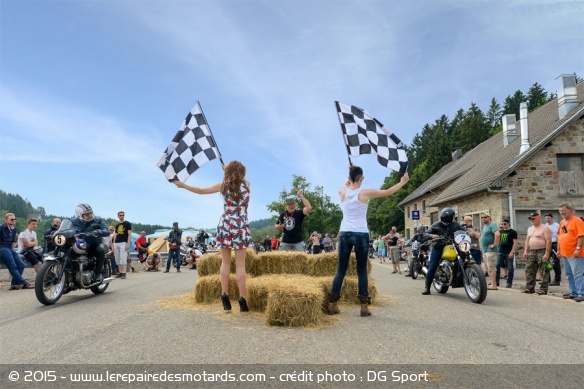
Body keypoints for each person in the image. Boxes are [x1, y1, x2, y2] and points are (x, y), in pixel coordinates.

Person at [328, 165, 409, 317]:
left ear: (349, 178)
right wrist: (402, 182)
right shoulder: (365, 193)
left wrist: (350, 173)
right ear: (361, 179)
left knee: (341, 270)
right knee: (361, 270)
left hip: (345, 232)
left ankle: (332, 304)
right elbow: (388, 192)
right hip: (360, 233)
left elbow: (346, 184)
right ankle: (364, 307)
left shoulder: (342, 192)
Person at [173, 160, 251, 312]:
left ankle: (224, 294)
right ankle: (242, 298)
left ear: (228, 173)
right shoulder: (247, 184)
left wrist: (184, 186)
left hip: (226, 225)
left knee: (225, 262)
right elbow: (239, 180)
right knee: (241, 265)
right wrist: (228, 170)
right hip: (241, 226)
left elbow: (201, 190)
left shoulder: (223, 186)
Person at [422, 208, 464, 295]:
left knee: (464, 256)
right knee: (433, 266)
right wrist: (433, 236)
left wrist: (467, 232)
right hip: (438, 247)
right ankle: (427, 287)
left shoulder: (455, 224)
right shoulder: (436, 225)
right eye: (452, 216)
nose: (453, 217)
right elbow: (425, 234)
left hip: (453, 246)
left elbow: (462, 230)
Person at [71, 204, 110, 282]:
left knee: (100, 250)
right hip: (80, 243)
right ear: (80, 215)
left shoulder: (98, 220)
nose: (90, 215)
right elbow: (67, 229)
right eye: (87, 214)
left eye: (91, 213)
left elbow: (106, 231)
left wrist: (98, 231)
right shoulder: (74, 221)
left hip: (94, 243)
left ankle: (97, 274)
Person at [557, 203, 584, 302]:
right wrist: (559, 250)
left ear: (570, 210)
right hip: (565, 253)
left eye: (563, 211)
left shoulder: (577, 221)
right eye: (560, 211)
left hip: (575, 254)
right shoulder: (562, 222)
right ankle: (573, 293)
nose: (561, 213)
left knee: (578, 274)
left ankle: (581, 294)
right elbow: (560, 236)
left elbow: (581, 236)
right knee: (569, 274)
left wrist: (578, 249)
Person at [521, 212, 552, 295]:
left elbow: (549, 242)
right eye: (530, 219)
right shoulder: (530, 229)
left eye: (533, 219)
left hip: (542, 251)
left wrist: (547, 254)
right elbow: (527, 240)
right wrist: (525, 251)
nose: (531, 220)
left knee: (545, 270)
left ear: (539, 218)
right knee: (529, 269)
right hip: (532, 251)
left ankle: (543, 288)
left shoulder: (545, 228)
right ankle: (529, 287)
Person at [0, 213, 32, 290]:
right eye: (11, 219)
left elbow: (14, 238)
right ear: (6, 220)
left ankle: (14, 284)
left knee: (21, 265)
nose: (13, 220)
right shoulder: (1, 227)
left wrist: (14, 244)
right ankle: (24, 283)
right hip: (2, 248)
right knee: (13, 267)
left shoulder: (14, 228)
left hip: (10, 248)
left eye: (14, 219)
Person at [480, 212, 500, 290]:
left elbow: (497, 234)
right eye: (482, 217)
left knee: (491, 267)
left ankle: (494, 284)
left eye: (485, 217)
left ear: (489, 217)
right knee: (488, 267)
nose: (483, 218)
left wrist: (494, 244)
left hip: (490, 250)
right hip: (485, 250)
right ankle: (492, 283)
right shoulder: (485, 226)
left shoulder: (492, 225)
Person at [496, 218, 518, 288]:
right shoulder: (501, 231)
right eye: (502, 224)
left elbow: (515, 242)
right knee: (497, 265)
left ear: (508, 224)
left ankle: (509, 282)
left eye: (505, 224)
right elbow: (499, 241)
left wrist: (512, 251)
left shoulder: (512, 232)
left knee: (510, 267)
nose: (503, 225)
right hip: (501, 251)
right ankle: (496, 281)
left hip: (509, 252)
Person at [113, 211, 132, 279]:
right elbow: (115, 234)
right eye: (120, 215)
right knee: (117, 258)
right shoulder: (117, 225)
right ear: (118, 216)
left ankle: (124, 273)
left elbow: (129, 234)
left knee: (123, 257)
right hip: (116, 242)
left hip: (123, 242)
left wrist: (128, 243)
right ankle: (120, 272)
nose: (122, 216)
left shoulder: (127, 223)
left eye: (123, 215)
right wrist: (113, 244)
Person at [544, 213, 561, 286]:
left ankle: (557, 279)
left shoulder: (557, 225)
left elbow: (559, 235)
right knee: (546, 261)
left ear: (552, 218)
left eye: (548, 218)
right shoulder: (545, 226)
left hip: (555, 244)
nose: (547, 219)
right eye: (546, 218)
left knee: (555, 263)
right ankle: (547, 279)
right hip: (547, 244)